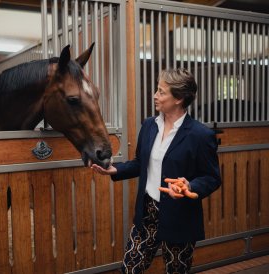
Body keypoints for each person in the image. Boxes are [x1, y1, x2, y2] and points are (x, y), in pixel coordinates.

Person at [91, 68, 221, 274]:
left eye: (161, 92)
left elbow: (212, 177)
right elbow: (140, 163)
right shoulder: (149, 125)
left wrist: (190, 186)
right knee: (129, 269)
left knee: (176, 271)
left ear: (178, 98)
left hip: (180, 217)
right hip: (147, 213)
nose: (155, 95)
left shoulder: (201, 135)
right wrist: (116, 169)